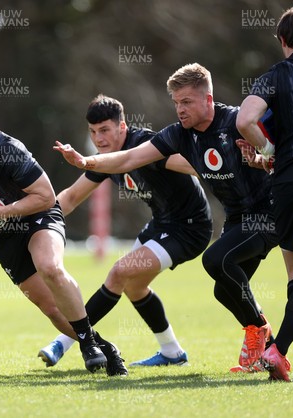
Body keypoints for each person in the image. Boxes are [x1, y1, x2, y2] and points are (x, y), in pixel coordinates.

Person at [54, 63, 279, 373]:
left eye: (186, 101)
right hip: (225, 219)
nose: (179, 109)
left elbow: (271, 148)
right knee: (219, 289)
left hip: (251, 215)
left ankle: (69, 341)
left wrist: (264, 160)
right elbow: (120, 165)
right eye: (176, 102)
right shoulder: (176, 134)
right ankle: (264, 352)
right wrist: (84, 162)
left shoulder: (235, 121)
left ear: (208, 99)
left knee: (217, 262)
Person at [0, 123, 126, 376]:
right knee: (51, 309)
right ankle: (105, 347)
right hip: (2, 237)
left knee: (50, 267)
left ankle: (88, 346)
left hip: (38, 214)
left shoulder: (7, 150)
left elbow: (46, 197)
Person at [38, 94, 212, 368]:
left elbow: (196, 166)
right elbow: (70, 198)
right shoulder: (107, 159)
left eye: (105, 130)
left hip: (190, 228)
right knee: (135, 285)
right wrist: (33, 219)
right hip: (161, 224)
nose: (99, 139)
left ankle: (64, 341)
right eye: (93, 132)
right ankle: (172, 353)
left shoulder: (146, 145)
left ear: (122, 127)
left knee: (120, 272)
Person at [236, 5, 293, 381]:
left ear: (283, 41)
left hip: (285, 184)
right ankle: (278, 351)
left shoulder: (274, 76)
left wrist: (268, 153)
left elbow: (245, 120)